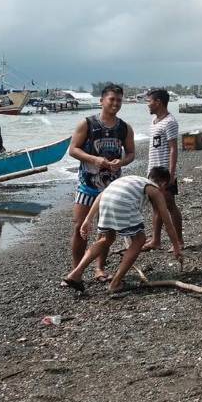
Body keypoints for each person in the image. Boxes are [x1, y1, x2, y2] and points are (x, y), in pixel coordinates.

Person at [61, 166, 184, 293]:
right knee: (139, 240)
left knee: (106, 239)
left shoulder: (132, 179)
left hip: (105, 201)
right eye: (165, 187)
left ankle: (76, 273)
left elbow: (102, 194)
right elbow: (168, 223)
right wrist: (176, 247)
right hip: (123, 203)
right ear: (163, 183)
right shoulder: (155, 190)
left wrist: (88, 219)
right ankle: (115, 283)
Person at [66, 84, 136, 282]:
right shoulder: (87, 124)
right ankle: (76, 270)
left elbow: (131, 153)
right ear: (102, 100)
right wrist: (94, 159)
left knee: (107, 230)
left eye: (119, 100)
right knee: (80, 228)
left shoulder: (124, 128)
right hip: (87, 185)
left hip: (112, 187)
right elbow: (73, 150)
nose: (115, 103)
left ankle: (100, 268)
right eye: (111, 99)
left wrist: (121, 162)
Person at [144, 89, 182, 250]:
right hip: (153, 172)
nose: (147, 104)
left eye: (149, 101)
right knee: (156, 206)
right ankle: (156, 240)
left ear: (158, 102)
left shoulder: (170, 122)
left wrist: (171, 175)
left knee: (170, 206)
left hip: (164, 173)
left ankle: (179, 241)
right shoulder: (154, 121)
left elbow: (173, 148)